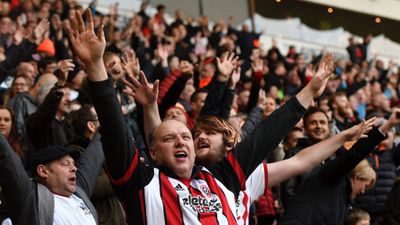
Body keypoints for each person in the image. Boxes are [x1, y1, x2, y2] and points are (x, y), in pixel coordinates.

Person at [66, 9, 331, 225]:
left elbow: (263, 136)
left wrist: (308, 93)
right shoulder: (142, 182)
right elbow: (114, 128)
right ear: (153, 153)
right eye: (169, 138)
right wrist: (95, 66)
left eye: (185, 136)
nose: (181, 142)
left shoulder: (221, 177)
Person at [278, 109, 400, 225]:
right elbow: (355, 154)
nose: (363, 191)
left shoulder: (343, 193)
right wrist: (388, 125)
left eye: (322, 122)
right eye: (313, 123)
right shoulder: (329, 173)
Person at [0, 130, 104, 224]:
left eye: (74, 164)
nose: (74, 169)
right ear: (43, 171)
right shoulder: (31, 200)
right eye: (65, 163)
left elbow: (95, 153)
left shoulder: (79, 193)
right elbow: (7, 159)